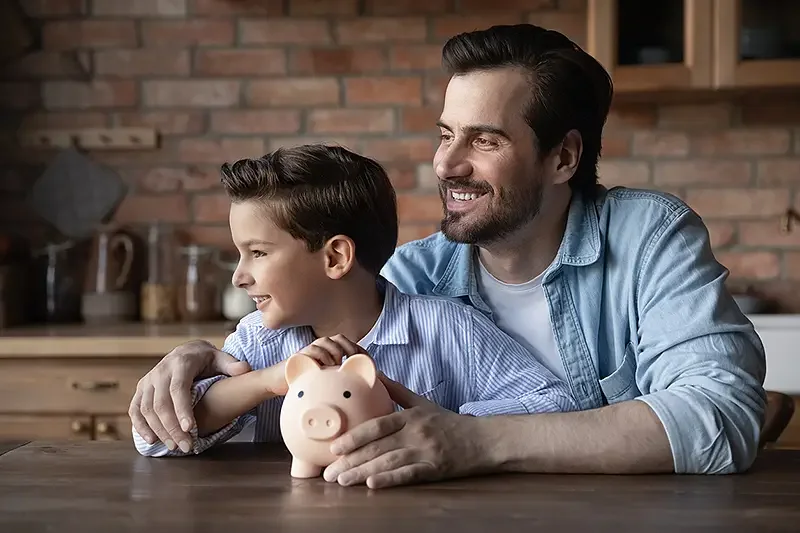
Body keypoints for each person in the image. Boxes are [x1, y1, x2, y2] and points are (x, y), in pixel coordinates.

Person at [129, 24, 766, 486]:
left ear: (563, 157)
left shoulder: (649, 236)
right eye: (444, 134)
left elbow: (720, 419)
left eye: (484, 139)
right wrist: (202, 358)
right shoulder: (413, 276)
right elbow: (300, 351)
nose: (446, 165)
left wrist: (480, 440)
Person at [131, 144, 577, 457]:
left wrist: (448, 421)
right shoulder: (260, 343)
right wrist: (269, 382)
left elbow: (557, 404)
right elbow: (156, 440)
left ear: (336, 257)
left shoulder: (449, 329)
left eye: (259, 253)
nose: (240, 276)